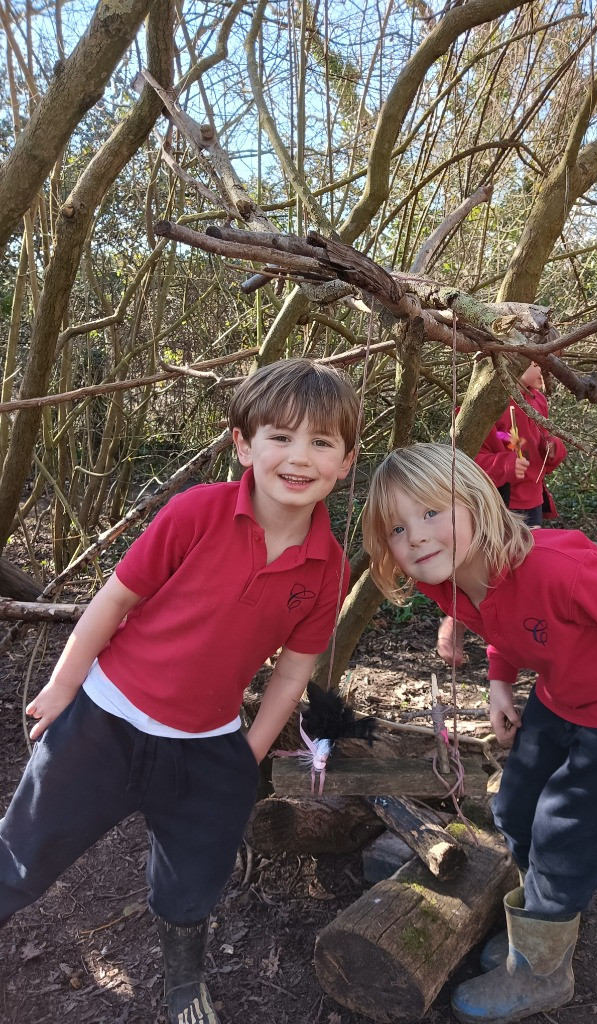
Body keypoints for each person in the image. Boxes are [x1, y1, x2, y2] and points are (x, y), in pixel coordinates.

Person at [0, 358, 359, 1024]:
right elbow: (114, 600)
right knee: (26, 851)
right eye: (280, 437)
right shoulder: (196, 512)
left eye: (320, 442)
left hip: (206, 748)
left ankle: (182, 978)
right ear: (244, 444)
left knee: (194, 876)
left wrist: (246, 753)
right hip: (103, 724)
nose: (298, 457)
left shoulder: (328, 566)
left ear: (344, 461)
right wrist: (61, 686)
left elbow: (291, 670)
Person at [362, 444, 597, 1024]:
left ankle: (543, 970)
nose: (416, 537)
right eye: (397, 528)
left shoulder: (557, 570)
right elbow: (500, 622)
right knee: (516, 808)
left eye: (430, 513)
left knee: (562, 832)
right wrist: (500, 684)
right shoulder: (446, 581)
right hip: (557, 699)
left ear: (475, 502)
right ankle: (540, 923)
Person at [437, 360, 567, 667]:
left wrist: (553, 449)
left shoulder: (537, 400)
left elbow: (545, 447)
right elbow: (464, 456)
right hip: (498, 503)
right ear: (513, 363)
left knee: (524, 569)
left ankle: (520, 637)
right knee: (484, 568)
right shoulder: (489, 402)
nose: (542, 371)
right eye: (535, 363)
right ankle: (456, 624)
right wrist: (506, 467)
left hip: (531, 501)